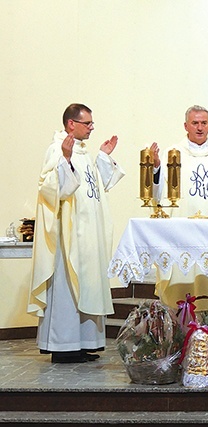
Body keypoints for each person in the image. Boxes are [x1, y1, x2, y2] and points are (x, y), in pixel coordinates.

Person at [27, 103, 125, 363]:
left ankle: (84, 343)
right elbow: (49, 189)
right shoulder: (58, 149)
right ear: (71, 124)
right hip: (68, 236)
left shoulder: (81, 152)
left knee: (88, 287)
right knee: (68, 289)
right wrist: (65, 160)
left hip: (88, 236)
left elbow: (96, 188)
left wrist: (103, 157)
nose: (92, 127)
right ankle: (63, 346)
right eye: (87, 123)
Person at [149, 105, 208, 338]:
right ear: (186, 126)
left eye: (204, 123)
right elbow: (157, 195)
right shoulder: (172, 154)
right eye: (195, 123)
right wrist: (156, 168)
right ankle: (179, 346)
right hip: (181, 237)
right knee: (181, 288)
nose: (199, 127)